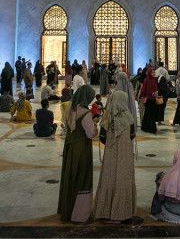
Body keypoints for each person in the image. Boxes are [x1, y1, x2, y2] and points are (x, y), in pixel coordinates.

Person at [94, 90, 136, 222]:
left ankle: (106, 210)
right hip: (125, 155)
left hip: (111, 154)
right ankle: (122, 211)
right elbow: (132, 135)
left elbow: (102, 138)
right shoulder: (129, 117)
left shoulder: (107, 117)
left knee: (109, 177)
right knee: (123, 178)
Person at [57, 85, 97, 223]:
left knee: (70, 177)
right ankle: (79, 215)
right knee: (82, 178)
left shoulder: (70, 108)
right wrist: (95, 124)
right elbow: (90, 133)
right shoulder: (85, 113)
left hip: (70, 147)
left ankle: (67, 210)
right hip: (81, 149)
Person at [138, 66, 159, 134]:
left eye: (154, 72)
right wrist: (141, 96)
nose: (153, 73)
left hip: (153, 99)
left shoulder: (154, 79)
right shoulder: (146, 80)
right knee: (148, 113)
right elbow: (143, 89)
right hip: (148, 99)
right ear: (149, 73)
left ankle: (149, 127)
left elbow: (155, 88)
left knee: (151, 114)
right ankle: (149, 128)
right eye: (152, 72)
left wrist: (156, 93)